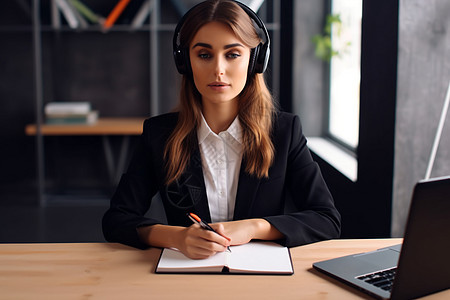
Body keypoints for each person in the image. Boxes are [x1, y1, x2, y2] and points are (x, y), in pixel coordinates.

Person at [102, 0, 340, 259]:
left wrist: (255, 227)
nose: (218, 69)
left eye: (233, 54)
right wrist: (177, 237)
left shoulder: (284, 131)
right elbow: (117, 220)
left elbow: (326, 219)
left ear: (255, 60)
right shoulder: (159, 135)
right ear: (185, 62)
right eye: (204, 55)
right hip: (187, 278)